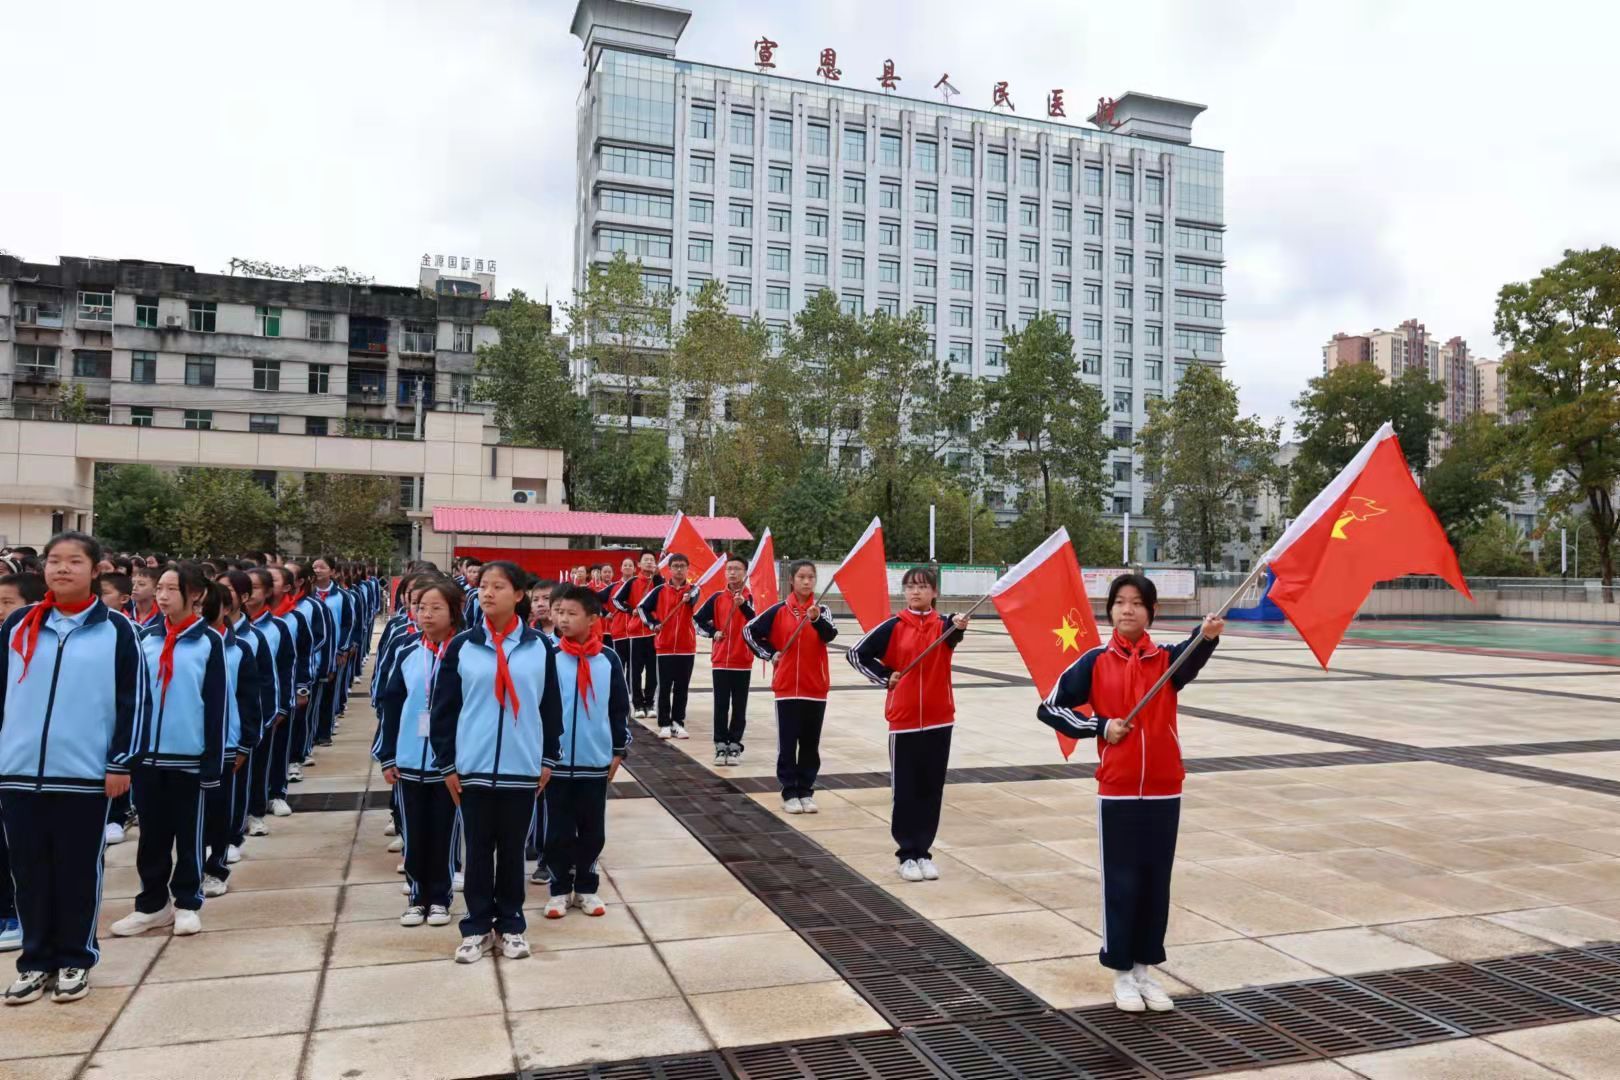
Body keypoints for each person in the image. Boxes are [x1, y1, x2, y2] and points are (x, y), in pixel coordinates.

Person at [1036, 573, 1223, 1014]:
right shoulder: (1096, 661)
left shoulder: (1167, 664)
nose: (1127, 610)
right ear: (1111, 611)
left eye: (1137, 603)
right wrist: (1100, 727)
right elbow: (1050, 707)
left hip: (1164, 788)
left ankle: (1144, 969)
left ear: (1151, 612)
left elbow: (1195, 653)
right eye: (1120, 602)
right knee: (1121, 883)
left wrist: (1208, 635)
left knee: (1156, 883)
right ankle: (1121, 973)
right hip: (1117, 789)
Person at [0, 532, 144, 1004]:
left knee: (79, 869)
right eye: (55, 560)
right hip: (18, 773)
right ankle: (35, 960)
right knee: (28, 869)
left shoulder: (117, 629)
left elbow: (132, 700)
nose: (62, 568)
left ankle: (75, 959)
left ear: (96, 569)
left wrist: (119, 761)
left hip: (84, 774)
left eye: (74, 561)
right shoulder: (19, 624)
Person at [430, 561, 561, 964]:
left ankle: (511, 924)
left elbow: (551, 705)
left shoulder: (539, 647)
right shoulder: (463, 646)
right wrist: (448, 764)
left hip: (522, 767)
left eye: (498, 587)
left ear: (519, 595)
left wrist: (548, 757)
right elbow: (444, 709)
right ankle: (475, 927)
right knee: (478, 851)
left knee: (512, 851)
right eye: (483, 586)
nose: (487, 593)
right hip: (473, 767)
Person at [112, 562, 227, 939]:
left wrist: (212, 762)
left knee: (189, 837)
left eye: (170, 589)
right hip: (147, 757)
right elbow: (129, 700)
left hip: (188, 758)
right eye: (158, 588)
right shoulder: (144, 637)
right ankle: (151, 905)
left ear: (195, 595)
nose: (161, 596)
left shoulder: (209, 641)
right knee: (151, 837)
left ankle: (187, 902)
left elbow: (216, 705)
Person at [849, 567, 969, 883]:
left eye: (922, 587)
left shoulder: (944, 627)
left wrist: (960, 625)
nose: (915, 592)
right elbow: (856, 654)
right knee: (905, 791)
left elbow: (956, 633)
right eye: (910, 587)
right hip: (903, 721)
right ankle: (906, 854)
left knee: (931, 789)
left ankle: (924, 853)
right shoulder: (893, 626)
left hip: (939, 719)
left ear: (934, 593)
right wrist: (885, 677)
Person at [377, 579, 464, 929]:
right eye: (421, 608)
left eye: (436, 608)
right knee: (413, 832)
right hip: (410, 758)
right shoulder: (406, 649)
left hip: (451, 765)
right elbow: (391, 703)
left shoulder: (465, 651)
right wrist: (387, 754)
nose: (426, 615)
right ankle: (417, 895)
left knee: (445, 832)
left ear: (454, 611)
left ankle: (440, 897)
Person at [542, 585, 627, 919]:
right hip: (556, 764)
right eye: (558, 611)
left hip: (595, 761)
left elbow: (619, 707)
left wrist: (618, 749)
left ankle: (587, 887)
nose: (562, 619)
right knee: (558, 829)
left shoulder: (608, 659)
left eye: (571, 613)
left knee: (592, 829)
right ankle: (559, 888)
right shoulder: (548, 656)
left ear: (592, 618)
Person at [743, 560, 837, 814]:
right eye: (802, 577)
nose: (807, 582)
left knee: (809, 743)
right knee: (787, 742)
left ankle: (806, 790)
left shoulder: (822, 610)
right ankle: (789, 791)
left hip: (815, 687)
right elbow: (750, 631)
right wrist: (769, 653)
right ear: (792, 581)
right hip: (786, 688)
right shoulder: (778, 610)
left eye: (811, 577)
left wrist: (816, 620)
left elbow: (830, 635)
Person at [200, 578, 264, 898]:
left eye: (204, 604)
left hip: (226, 743)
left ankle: (215, 866)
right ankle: (189, 869)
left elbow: (250, 698)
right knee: (190, 814)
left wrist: (245, 742)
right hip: (188, 745)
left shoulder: (239, 649)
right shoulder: (184, 645)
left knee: (219, 809)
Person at [242, 568, 293, 838]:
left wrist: (280, 705)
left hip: (265, 707)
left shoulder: (276, 627)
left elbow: (283, 668)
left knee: (262, 761)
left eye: (257, 588)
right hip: (235, 710)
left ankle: (258, 811)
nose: (250, 594)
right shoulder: (223, 630)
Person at [694, 554, 755, 766]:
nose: (733, 572)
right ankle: (720, 745)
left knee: (739, 706)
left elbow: (758, 623)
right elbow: (698, 620)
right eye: (729, 569)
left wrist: (744, 606)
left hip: (743, 660)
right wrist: (714, 633)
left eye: (737, 569)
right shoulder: (717, 597)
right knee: (721, 705)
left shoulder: (751, 597)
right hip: (720, 660)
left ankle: (735, 745)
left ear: (745, 572)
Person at [636, 553, 700, 740]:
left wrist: (689, 597)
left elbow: (696, 599)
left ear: (687, 569)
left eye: (682, 566)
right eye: (675, 566)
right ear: (669, 569)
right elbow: (642, 608)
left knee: (682, 687)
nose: (679, 570)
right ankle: (664, 722)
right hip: (664, 646)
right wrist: (653, 623)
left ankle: (678, 722)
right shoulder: (660, 590)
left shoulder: (693, 590)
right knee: (664, 686)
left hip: (686, 647)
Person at [611, 550, 661, 719]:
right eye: (646, 560)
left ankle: (650, 703)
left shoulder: (658, 582)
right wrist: (631, 610)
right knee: (635, 671)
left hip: (654, 632)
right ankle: (638, 704)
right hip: (636, 633)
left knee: (653, 671)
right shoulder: (633, 582)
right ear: (639, 564)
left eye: (652, 560)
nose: (649, 563)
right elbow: (616, 600)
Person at [607, 557, 636, 679]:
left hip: (635, 632)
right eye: (625, 565)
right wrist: (605, 613)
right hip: (618, 631)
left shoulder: (638, 585)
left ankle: (630, 692)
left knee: (633, 665)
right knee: (618, 663)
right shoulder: (613, 587)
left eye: (630, 565)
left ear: (635, 569)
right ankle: (619, 690)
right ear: (620, 568)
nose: (628, 567)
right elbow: (595, 598)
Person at [128, 564, 162, 628]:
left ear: (156, 590)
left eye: (141, 584)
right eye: (133, 584)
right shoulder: (125, 613)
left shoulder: (165, 618)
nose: (134, 588)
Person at [528, 580, 558, 645]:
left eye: (546, 598)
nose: (540, 604)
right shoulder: (526, 633)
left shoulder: (570, 631)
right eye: (535, 600)